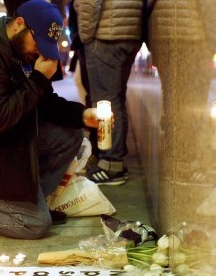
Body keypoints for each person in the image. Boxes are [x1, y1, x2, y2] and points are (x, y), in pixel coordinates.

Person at [0, 0, 100, 239]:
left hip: (5, 143)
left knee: (69, 135)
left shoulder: (22, 49)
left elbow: (43, 103)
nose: (40, 52)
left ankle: (30, 204)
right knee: (35, 225)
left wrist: (81, 114)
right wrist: (39, 79)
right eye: (38, 42)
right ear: (18, 24)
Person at [74, 0, 143, 185]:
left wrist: (86, 35)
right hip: (130, 30)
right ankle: (112, 160)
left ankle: (112, 164)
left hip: (105, 31)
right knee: (116, 98)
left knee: (105, 100)